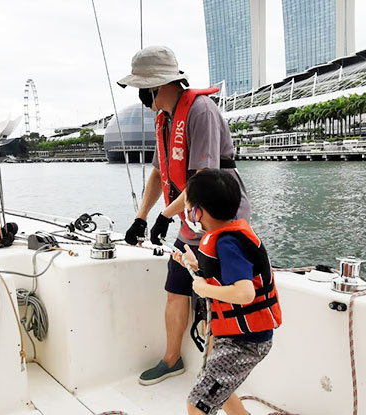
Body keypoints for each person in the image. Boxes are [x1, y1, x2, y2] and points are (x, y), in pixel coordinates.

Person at [118, 45, 251, 385]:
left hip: (221, 221)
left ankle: (218, 373)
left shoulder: (201, 111)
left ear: (156, 86)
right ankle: (172, 359)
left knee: (217, 295)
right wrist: (141, 216)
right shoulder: (165, 120)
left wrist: (164, 215)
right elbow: (158, 174)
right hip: (190, 219)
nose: (141, 95)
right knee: (176, 287)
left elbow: (204, 181)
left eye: (141, 88)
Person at [172, 169, 281, 415]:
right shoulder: (225, 237)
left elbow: (245, 294)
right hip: (240, 336)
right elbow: (226, 274)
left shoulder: (228, 243)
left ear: (198, 211)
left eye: (189, 207)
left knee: (198, 403)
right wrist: (196, 265)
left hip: (245, 341)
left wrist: (202, 287)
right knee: (221, 388)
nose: (188, 214)